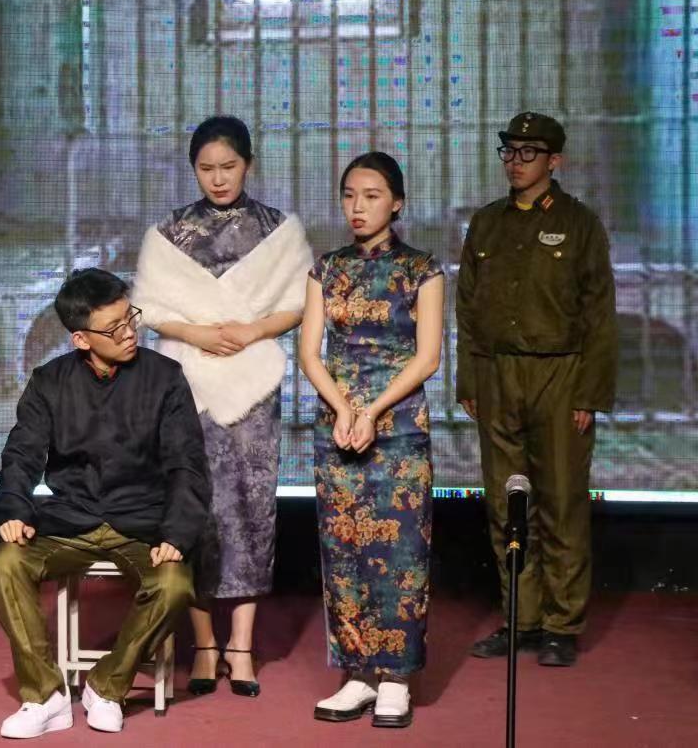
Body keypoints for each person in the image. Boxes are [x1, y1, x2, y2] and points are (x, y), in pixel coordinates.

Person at [0, 269, 211, 738]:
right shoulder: (49, 382)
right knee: (4, 565)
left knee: (174, 585)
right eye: (114, 328)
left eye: (130, 318)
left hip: (143, 522)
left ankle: (107, 687)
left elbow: (187, 464)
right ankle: (45, 696)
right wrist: (15, 510)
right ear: (81, 339)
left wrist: (176, 534)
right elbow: (22, 454)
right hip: (70, 519)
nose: (129, 333)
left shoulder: (165, 378)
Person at [134, 115, 313, 697]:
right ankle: (205, 645)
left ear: (248, 165)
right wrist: (196, 333)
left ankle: (241, 645)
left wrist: (253, 329)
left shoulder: (278, 229)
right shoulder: (170, 232)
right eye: (206, 168)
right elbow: (148, 307)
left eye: (228, 167)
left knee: (249, 510)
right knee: (194, 508)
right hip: (187, 384)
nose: (218, 178)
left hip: (253, 384)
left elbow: (299, 302)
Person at [458, 113, 617, 667]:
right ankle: (520, 619)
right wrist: (470, 379)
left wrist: (588, 395)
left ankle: (560, 624)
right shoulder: (486, 224)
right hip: (498, 376)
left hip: (560, 375)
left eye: (529, 152)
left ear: (555, 160)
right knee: (506, 504)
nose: (516, 162)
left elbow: (600, 315)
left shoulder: (579, 224)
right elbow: (467, 310)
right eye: (509, 151)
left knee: (561, 503)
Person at [299, 152, 444, 728]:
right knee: (343, 552)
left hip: (399, 429)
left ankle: (397, 678)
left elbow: (427, 358)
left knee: (401, 554)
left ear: (397, 203)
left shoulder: (422, 270)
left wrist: (373, 410)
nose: (357, 207)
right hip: (338, 428)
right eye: (349, 195)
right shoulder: (327, 269)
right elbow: (309, 353)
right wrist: (343, 409)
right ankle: (357, 673)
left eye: (372, 195)